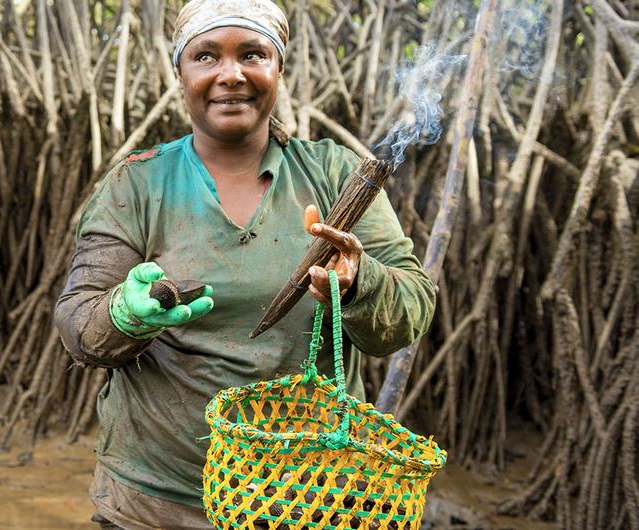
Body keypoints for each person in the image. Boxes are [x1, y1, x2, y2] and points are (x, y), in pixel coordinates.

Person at [53, 0, 437, 528]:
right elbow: (79, 325)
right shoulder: (136, 184)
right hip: (153, 501)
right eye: (206, 56)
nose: (231, 74)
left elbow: (412, 307)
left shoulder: (336, 174)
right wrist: (127, 313)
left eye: (252, 54)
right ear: (180, 73)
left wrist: (358, 282)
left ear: (278, 67)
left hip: (309, 498)